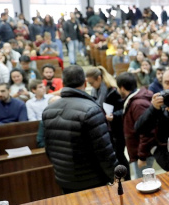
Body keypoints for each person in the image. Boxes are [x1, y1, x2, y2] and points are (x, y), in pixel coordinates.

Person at [42, 65, 118, 193]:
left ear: (64, 83)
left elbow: (48, 149)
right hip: (92, 180)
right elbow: (104, 151)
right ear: (85, 82)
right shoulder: (91, 109)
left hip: (64, 178)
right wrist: (116, 176)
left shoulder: (48, 110)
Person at [86, 66, 130, 180]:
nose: (91, 86)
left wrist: (113, 116)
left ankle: (128, 178)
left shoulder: (113, 91)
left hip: (116, 129)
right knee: (114, 155)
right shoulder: (94, 91)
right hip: (105, 128)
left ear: (99, 78)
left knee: (120, 156)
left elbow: (123, 110)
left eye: (92, 83)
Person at [116, 72, 156, 178]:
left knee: (145, 182)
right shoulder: (134, 101)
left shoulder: (138, 104)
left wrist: (142, 156)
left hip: (142, 153)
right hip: (137, 151)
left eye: (118, 88)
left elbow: (147, 131)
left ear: (122, 88)